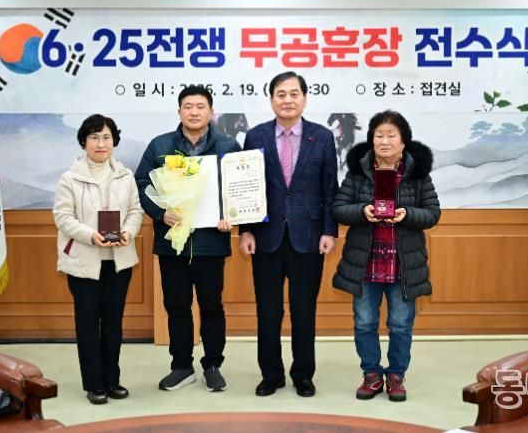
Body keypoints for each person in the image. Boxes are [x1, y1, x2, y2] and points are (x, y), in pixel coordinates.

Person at [135, 85, 241, 393]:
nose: (194, 112)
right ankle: (181, 366)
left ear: (211, 112)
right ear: (179, 111)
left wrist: (232, 216)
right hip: (172, 242)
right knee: (176, 306)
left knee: (211, 307)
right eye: (188, 106)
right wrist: (160, 213)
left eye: (200, 106)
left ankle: (212, 365)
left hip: (211, 243)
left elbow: (238, 187)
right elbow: (141, 183)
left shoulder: (228, 146)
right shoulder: (160, 145)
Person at [239, 71, 338, 398]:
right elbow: (246, 189)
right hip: (265, 237)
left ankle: (303, 375)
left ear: (304, 98)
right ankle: (271, 375)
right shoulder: (256, 136)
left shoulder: (322, 137)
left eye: (294, 94)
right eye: (280, 94)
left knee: (303, 310)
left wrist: (329, 231)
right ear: (271, 100)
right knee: (268, 312)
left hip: (309, 237)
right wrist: (246, 230)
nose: (287, 100)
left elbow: (330, 189)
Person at [331, 110, 440, 402]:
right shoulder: (358, 172)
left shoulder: (417, 174)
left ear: (404, 141)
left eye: (392, 135)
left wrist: (407, 214)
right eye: (379, 135)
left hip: (403, 265)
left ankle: (396, 375)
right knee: (364, 322)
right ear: (372, 140)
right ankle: (371, 373)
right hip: (365, 263)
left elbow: (432, 213)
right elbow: (339, 208)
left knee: (401, 324)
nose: (385, 141)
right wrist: (361, 211)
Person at [53, 114, 143, 405]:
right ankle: (94, 384)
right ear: (84, 141)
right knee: (88, 324)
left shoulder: (125, 176)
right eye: (94, 137)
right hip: (83, 261)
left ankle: (112, 379)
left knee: (113, 323)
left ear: (114, 141)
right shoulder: (70, 178)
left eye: (106, 137)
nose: (101, 143)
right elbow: (63, 217)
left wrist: (128, 232)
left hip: (119, 261)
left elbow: (136, 211)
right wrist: (91, 235)